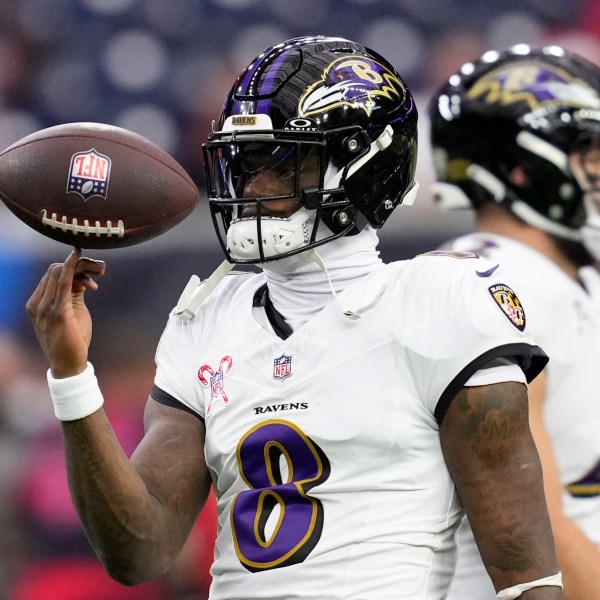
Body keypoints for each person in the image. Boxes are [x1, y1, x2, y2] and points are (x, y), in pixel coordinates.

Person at [26, 36, 564, 599]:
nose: (252, 186)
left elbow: (528, 578)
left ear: (362, 166)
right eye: (246, 164)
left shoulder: (439, 302)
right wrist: (71, 376)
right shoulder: (208, 317)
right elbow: (139, 549)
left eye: (282, 163)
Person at [428, 44, 600, 599]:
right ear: (525, 169)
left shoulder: (568, 277)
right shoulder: (491, 286)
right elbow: (536, 536)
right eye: (591, 155)